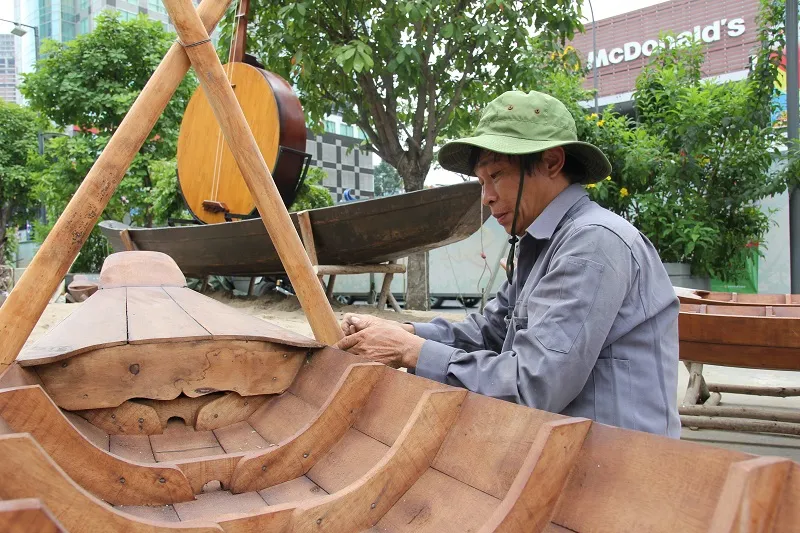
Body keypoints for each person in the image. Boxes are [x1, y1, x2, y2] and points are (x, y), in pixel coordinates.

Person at [336, 90, 680, 437]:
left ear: (551, 163)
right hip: (567, 444)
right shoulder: (541, 243)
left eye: (497, 175)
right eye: (482, 182)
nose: (486, 198)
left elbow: (533, 385)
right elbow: (491, 331)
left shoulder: (592, 243)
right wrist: (405, 333)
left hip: (620, 459)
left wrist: (410, 351)